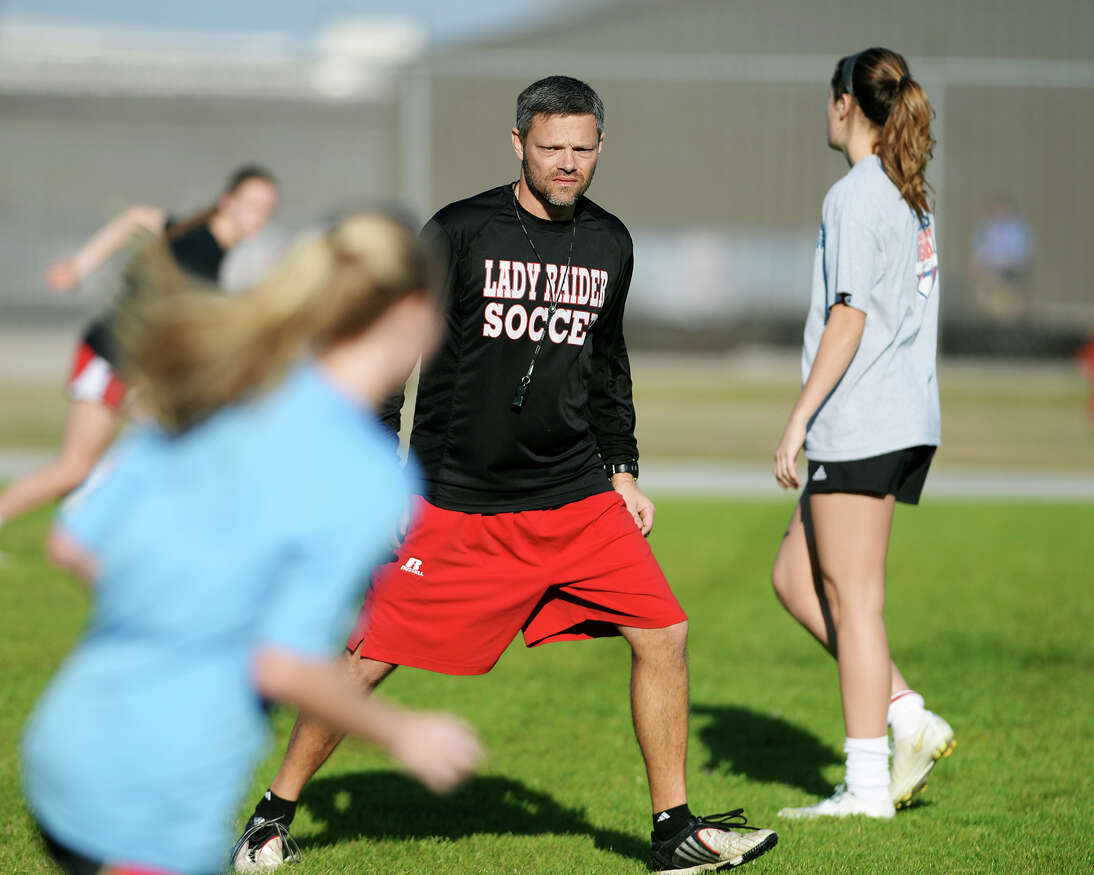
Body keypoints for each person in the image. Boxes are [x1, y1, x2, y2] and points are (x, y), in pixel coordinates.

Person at [231, 76, 777, 875]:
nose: (567, 163)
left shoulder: (609, 242)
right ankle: (271, 816)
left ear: (599, 147)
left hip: (573, 491)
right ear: (518, 142)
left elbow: (607, 364)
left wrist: (622, 466)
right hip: (458, 498)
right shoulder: (458, 231)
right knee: (370, 654)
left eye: (581, 148)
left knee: (664, 631)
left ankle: (674, 833)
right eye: (551, 146)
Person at [21, 211, 483, 875]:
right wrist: (405, 732)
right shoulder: (369, 474)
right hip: (159, 788)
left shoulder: (224, 384)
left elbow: (71, 542)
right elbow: (279, 661)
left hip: (63, 747)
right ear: (414, 313)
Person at [771, 48, 955, 820]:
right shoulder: (907, 193)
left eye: (828, 99)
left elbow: (850, 318)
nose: (825, 110)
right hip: (901, 415)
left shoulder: (857, 194)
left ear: (847, 103)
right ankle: (906, 712)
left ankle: (867, 786)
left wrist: (798, 418)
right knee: (793, 576)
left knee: (856, 602)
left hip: (862, 419)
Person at [0, 165, 280, 567]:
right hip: (111, 357)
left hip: (123, 360)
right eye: (250, 204)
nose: (257, 215)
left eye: (266, 208)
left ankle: (89, 504)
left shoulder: (194, 238)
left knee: (164, 440)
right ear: (227, 203)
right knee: (82, 464)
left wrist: (80, 267)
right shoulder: (198, 251)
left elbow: (137, 218)